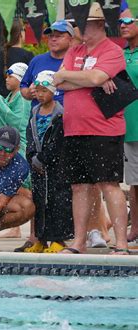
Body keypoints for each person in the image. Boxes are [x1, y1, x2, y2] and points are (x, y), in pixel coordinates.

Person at [53, 3, 129, 254]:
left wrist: (89, 77)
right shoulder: (74, 51)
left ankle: (120, 242)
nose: (79, 29)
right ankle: (78, 241)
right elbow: (57, 81)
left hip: (104, 128)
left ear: (98, 24)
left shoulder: (113, 51)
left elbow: (91, 78)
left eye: (83, 24)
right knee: (79, 185)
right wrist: (91, 78)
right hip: (74, 127)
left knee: (109, 184)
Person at [25, 71, 73, 253]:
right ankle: (41, 238)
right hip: (37, 165)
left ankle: (57, 238)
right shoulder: (34, 112)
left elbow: (59, 142)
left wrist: (44, 159)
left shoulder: (60, 114)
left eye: (44, 90)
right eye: (37, 91)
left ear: (53, 91)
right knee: (39, 201)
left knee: (57, 201)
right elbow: (30, 138)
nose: (40, 94)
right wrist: (32, 157)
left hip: (56, 166)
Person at [21, 20, 74, 109]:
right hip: (38, 119)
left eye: (58, 36)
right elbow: (23, 86)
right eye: (51, 36)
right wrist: (29, 93)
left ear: (71, 40)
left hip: (67, 118)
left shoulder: (77, 62)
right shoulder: (37, 60)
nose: (53, 39)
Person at [120, 15, 138, 243]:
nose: (123, 26)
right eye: (121, 23)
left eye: (130, 21)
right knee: (134, 183)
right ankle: (135, 229)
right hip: (129, 127)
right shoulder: (120, 55)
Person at [0, 63, 31, 156]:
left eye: (10, 77)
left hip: (17, 146)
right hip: (5, 143)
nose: (6, 80)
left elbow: (19, 123)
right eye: (7, 77)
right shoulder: (10, 96)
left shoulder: (23, 97)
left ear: (21, 78)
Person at [0, 19, 34, 97]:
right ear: (20, 33)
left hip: (0, 105)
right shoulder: (28, 56)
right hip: (21, 105)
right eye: (24, 29)